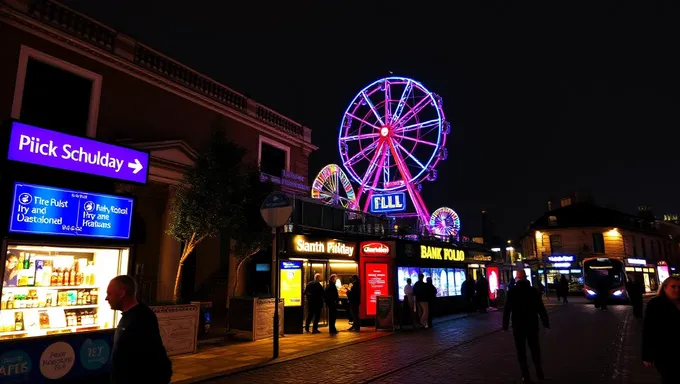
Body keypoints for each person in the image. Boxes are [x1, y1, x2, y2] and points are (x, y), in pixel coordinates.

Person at [106, 275, 172, 384]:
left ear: (122, 293)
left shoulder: (142, 318)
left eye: (109, 294)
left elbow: (150, 358)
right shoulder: (129, 315)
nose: (106, 298)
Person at [503, 269, 549, 384]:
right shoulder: (533, 291)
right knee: (535, 348)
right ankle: (539, 370)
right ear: (526, 277)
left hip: (518, 326)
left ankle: (525, 375)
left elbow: (507, 310)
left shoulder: (512, 292)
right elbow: (541, 308)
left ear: (517, 278)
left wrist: (505, 325)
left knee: (521, 351)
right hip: (532, 324)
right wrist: (545, 322)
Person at [642, 276, 680, 383]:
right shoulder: (656, 304)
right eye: (673, 286)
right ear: (665, 288)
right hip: (665, 352)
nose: (677, 289)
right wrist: (646, 355)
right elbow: (648, 330)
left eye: (679, 287)